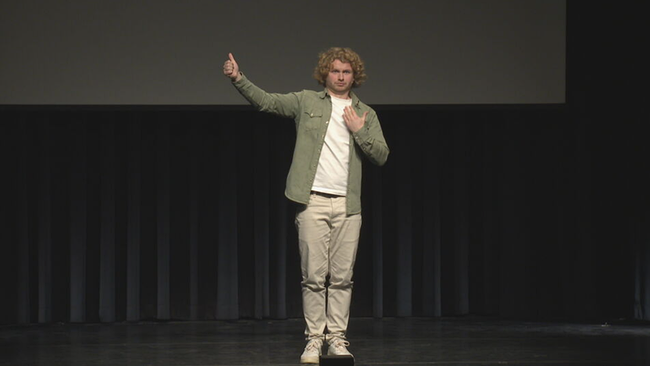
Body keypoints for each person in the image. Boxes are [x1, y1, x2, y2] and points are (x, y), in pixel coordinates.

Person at [223, 47, 389, 364]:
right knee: (313, 277)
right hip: (312, 201)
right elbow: (267, 102)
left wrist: (359, 132)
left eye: (347, 72)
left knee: (342, 279)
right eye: (335, 71)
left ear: (355, 76)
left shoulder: (365, 113)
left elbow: (381, 154)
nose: (341, 76)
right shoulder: (306, 102)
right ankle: (314, 340)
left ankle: (337, 340)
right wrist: (238, 79)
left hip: (347, 205)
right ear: (325, 73)